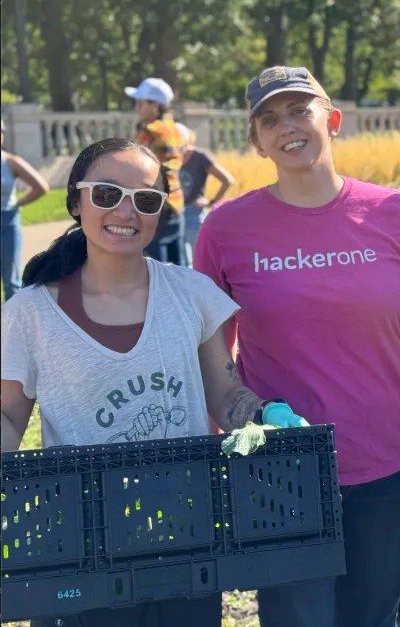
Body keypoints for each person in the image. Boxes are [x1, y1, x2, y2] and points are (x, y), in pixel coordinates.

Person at [193, 66, 400, 627]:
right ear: (257, 141)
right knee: (297, 619)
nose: (287, 127)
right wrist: (219, 442)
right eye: (269, 119)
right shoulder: (225, 229)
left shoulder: (392, 213)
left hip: (387, 461)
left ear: (332, 120)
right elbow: (211, 357)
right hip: (279, 467)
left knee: (370, 616)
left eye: (299, 111)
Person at [0, 137, 308, 627]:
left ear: (160, 213)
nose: (125, 210)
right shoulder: (31, 312)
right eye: (106, 194)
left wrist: (263, 416)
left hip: (186, 536)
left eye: (145, 199)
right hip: (86, 541)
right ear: (76, 201)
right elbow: (10, 415)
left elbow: (224, 394)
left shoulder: (190, 293)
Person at [128, 77, 186, 265]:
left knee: (153, 269)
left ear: (155, 105)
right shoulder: (175, 128)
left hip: (155, 205)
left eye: (140, 103)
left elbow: (133, 166)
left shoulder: (150, 129)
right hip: (176, 202)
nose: (136, 108)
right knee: (178, 267)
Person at [1, 118, 50, 301]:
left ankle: (12, 325)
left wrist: (16, 204)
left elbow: (41, 186)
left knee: (10, 279)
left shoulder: (10, 162)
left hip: (6, 221)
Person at [178, 125, 235, 266]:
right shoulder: (167, 158)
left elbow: (227, 180)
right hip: (173, 215)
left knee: (201, 261)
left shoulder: (200, 157)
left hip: (193, 213)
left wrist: (211, 202)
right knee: (181, 264)